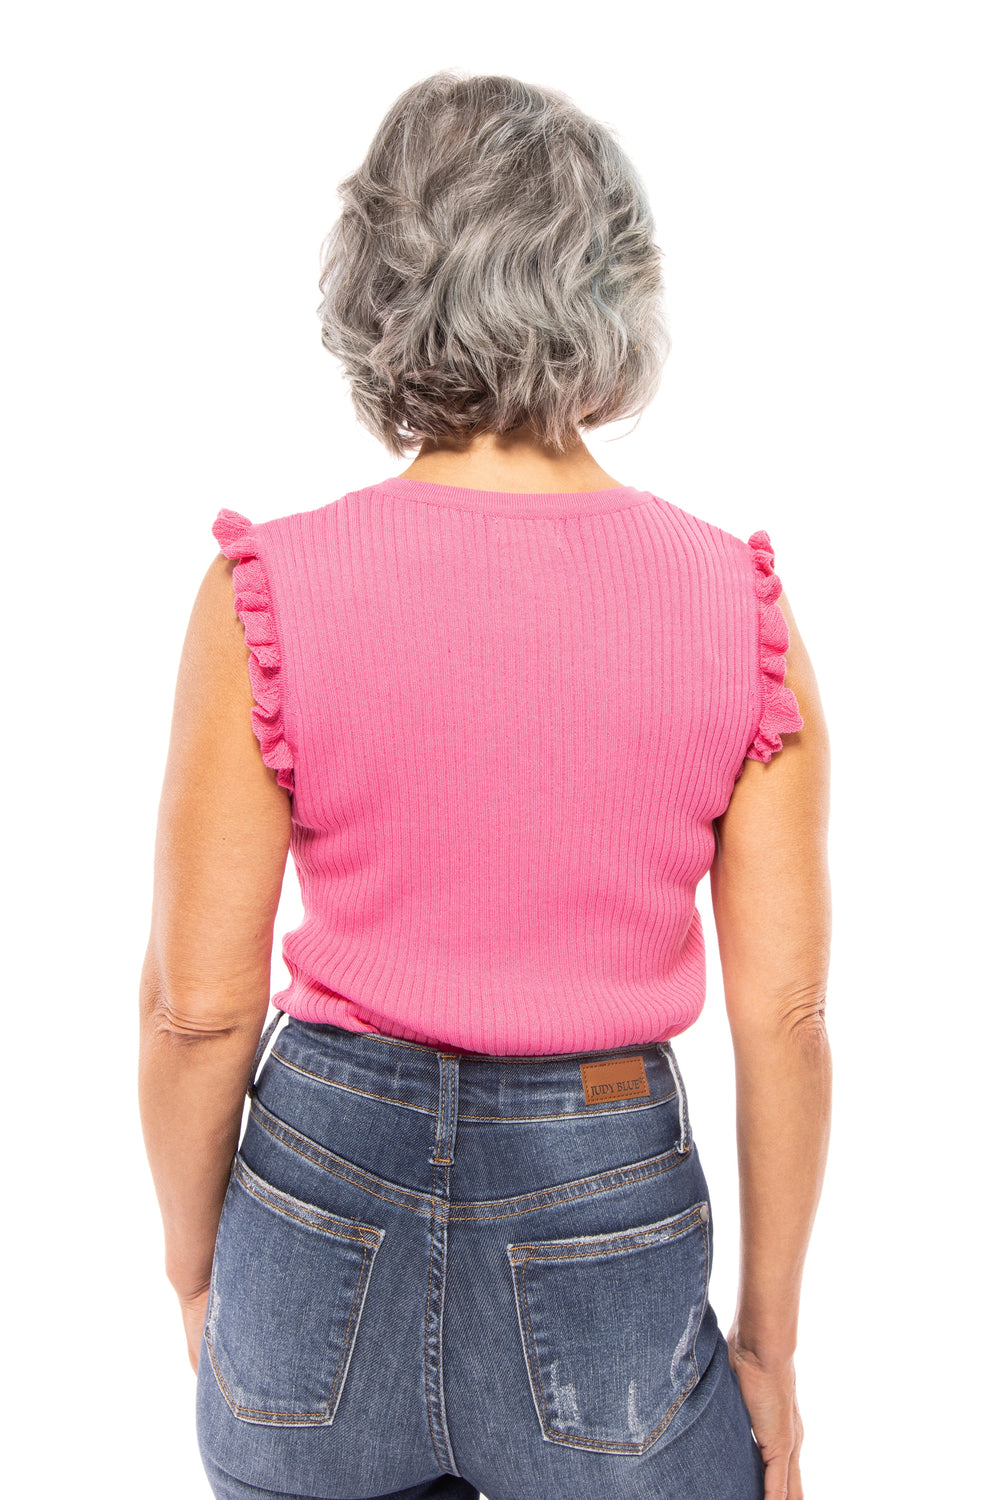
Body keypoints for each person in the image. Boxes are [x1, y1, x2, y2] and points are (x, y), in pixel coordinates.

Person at [138, 69, 831, 1500]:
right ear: (613, 288)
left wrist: (201, 1276)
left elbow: (195, 1012)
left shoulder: (266, 591)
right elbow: (786, 1021)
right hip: (604, 1193)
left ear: (378, 289)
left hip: (315, 1206)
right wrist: (767, 1349)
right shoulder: (738, 607)